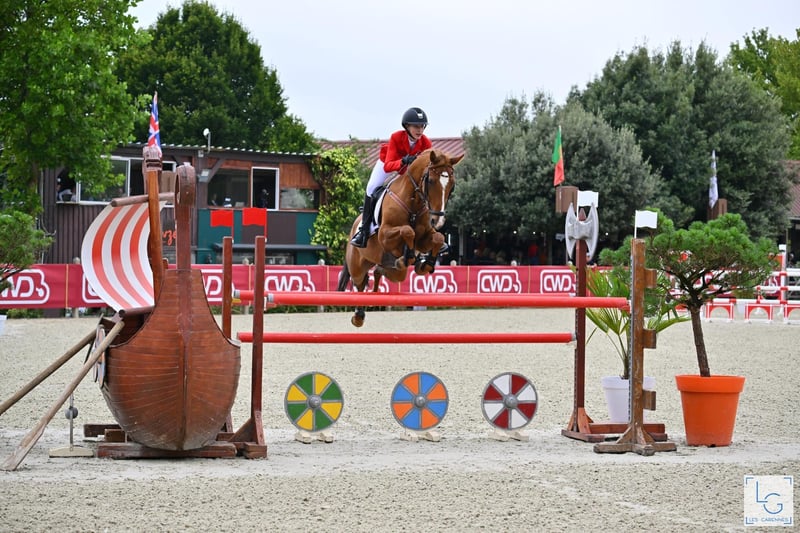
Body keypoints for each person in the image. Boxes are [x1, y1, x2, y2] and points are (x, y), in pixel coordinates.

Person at [350, 107, 432, 248]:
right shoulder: (396, 137)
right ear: (407, 126)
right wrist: (403, 161)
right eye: (416, 126)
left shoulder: (426, 143)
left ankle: (429, 230)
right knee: (371, 187)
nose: (419, 130)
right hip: (388, 163)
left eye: (422, 126)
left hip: (407, 171)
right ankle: (364, 230)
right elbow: (388, 166)